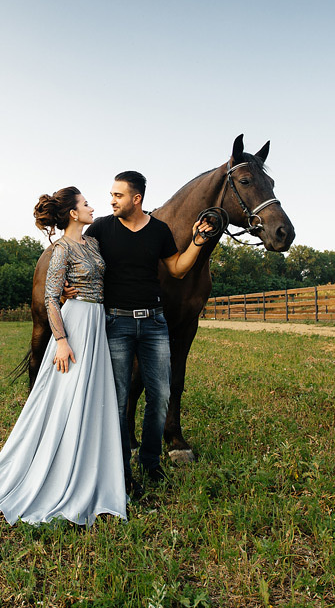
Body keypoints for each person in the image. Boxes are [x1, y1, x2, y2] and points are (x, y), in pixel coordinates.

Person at [0, 187, 126, 526]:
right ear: (74, 213)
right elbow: (51, 300)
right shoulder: (61, 249)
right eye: (86, 203)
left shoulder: (92, 243)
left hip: (97, 322)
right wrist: (61, 341)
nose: (92, 207)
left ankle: (92, 466)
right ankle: (54, 466)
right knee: (64, 397)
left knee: (91, 397)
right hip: (75, 324)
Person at [83, 171, 212, 494]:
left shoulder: (159, 230)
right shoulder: (101, 228)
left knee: (161, 395)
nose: (111, 200)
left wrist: (197, 242)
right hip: (118, 323)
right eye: (111, 194)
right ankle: (121, 470)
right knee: (119, 398)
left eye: (118, 195)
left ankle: (151, 462)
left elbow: (177, 268)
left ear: (136, 199)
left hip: (154, 323)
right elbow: (77, 254)